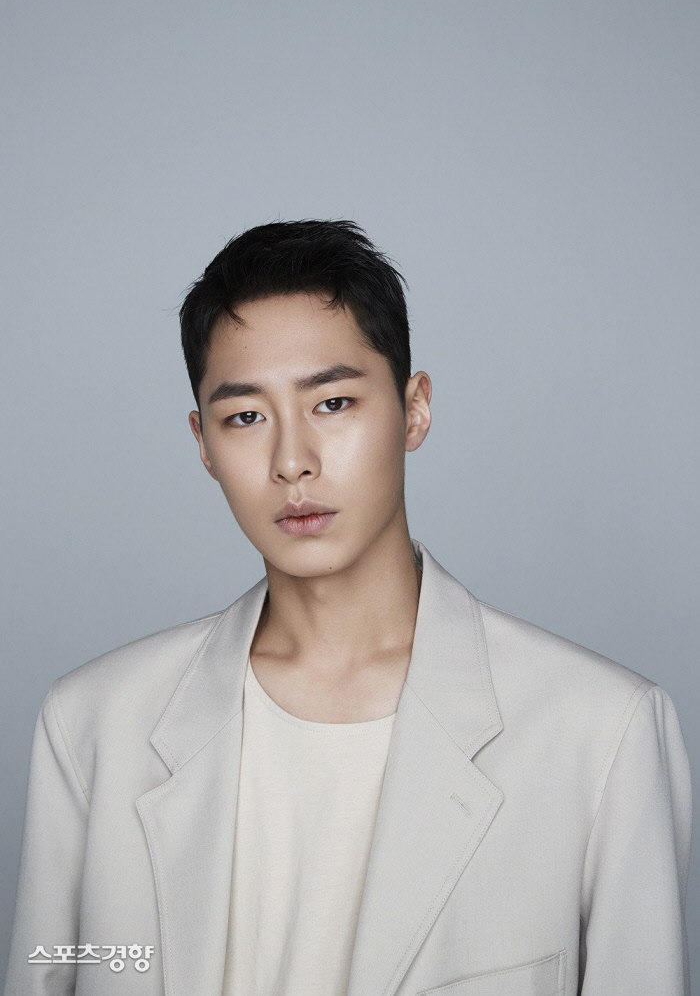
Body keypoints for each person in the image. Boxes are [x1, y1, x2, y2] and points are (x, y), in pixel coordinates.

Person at [3, 220, 692, 996]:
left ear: (414, 409)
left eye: (332, 402)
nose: (291, 461)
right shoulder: (94, 725)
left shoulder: (601, 733)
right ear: (202, 444)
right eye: (245, 416)